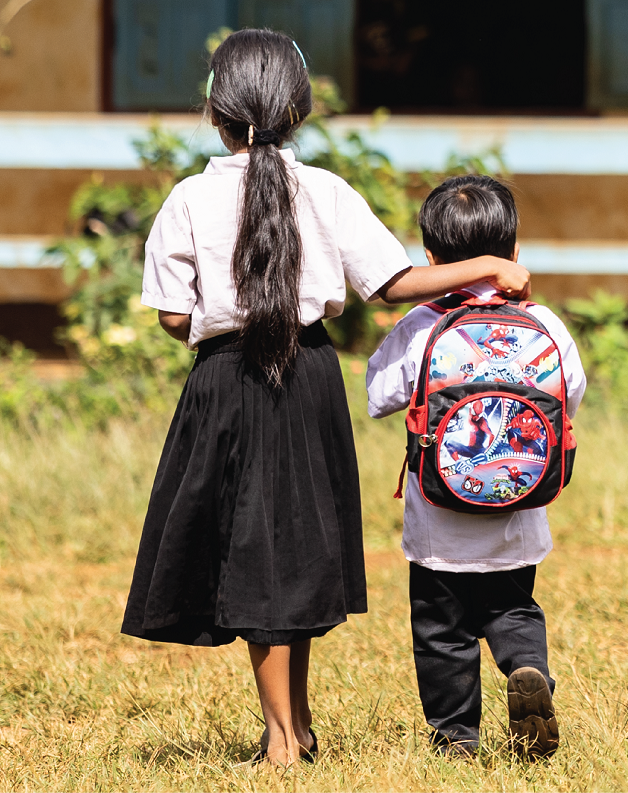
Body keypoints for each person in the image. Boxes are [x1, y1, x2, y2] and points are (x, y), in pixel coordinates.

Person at [121, 29, 533, 769]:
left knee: (254, 560)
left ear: (216, 112)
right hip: (308, 379)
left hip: (227, 382)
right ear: (299, 111)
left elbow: (173, 315)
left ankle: (283, 741)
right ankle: (297, 727)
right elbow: (395, 282)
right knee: (294, 555)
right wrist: (487, 265)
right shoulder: (329, 192)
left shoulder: (187, 200)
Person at [364, 174, 587, 760]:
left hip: (437, 517)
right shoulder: (547, 326)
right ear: (513, 252)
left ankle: (457, 738)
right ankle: (526, 668)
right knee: (513, 608)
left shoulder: (420, 327)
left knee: (442, 633)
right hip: (518, 513)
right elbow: (571, 395)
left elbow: (377, 396)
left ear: (433, 259)